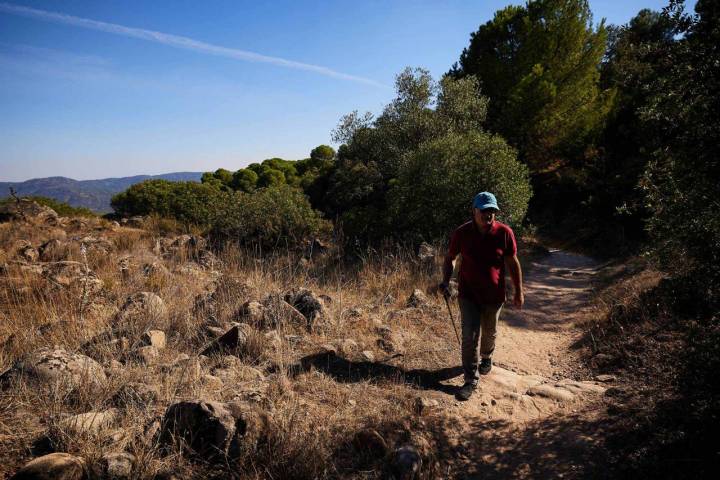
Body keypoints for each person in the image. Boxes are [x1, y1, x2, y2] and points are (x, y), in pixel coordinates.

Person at [439, 191, 524, 401]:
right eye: (485, 211)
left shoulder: (504, 232)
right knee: (469, 336)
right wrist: (446, 279)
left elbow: (513, 262)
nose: (489, 215)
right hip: (468, 294)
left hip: (494, 295)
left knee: (490, 332)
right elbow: (451, 257)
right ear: (474, 211)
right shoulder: (462, 233)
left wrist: (519, 291)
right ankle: (470, 380)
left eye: (492, 211)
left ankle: (487, 356)